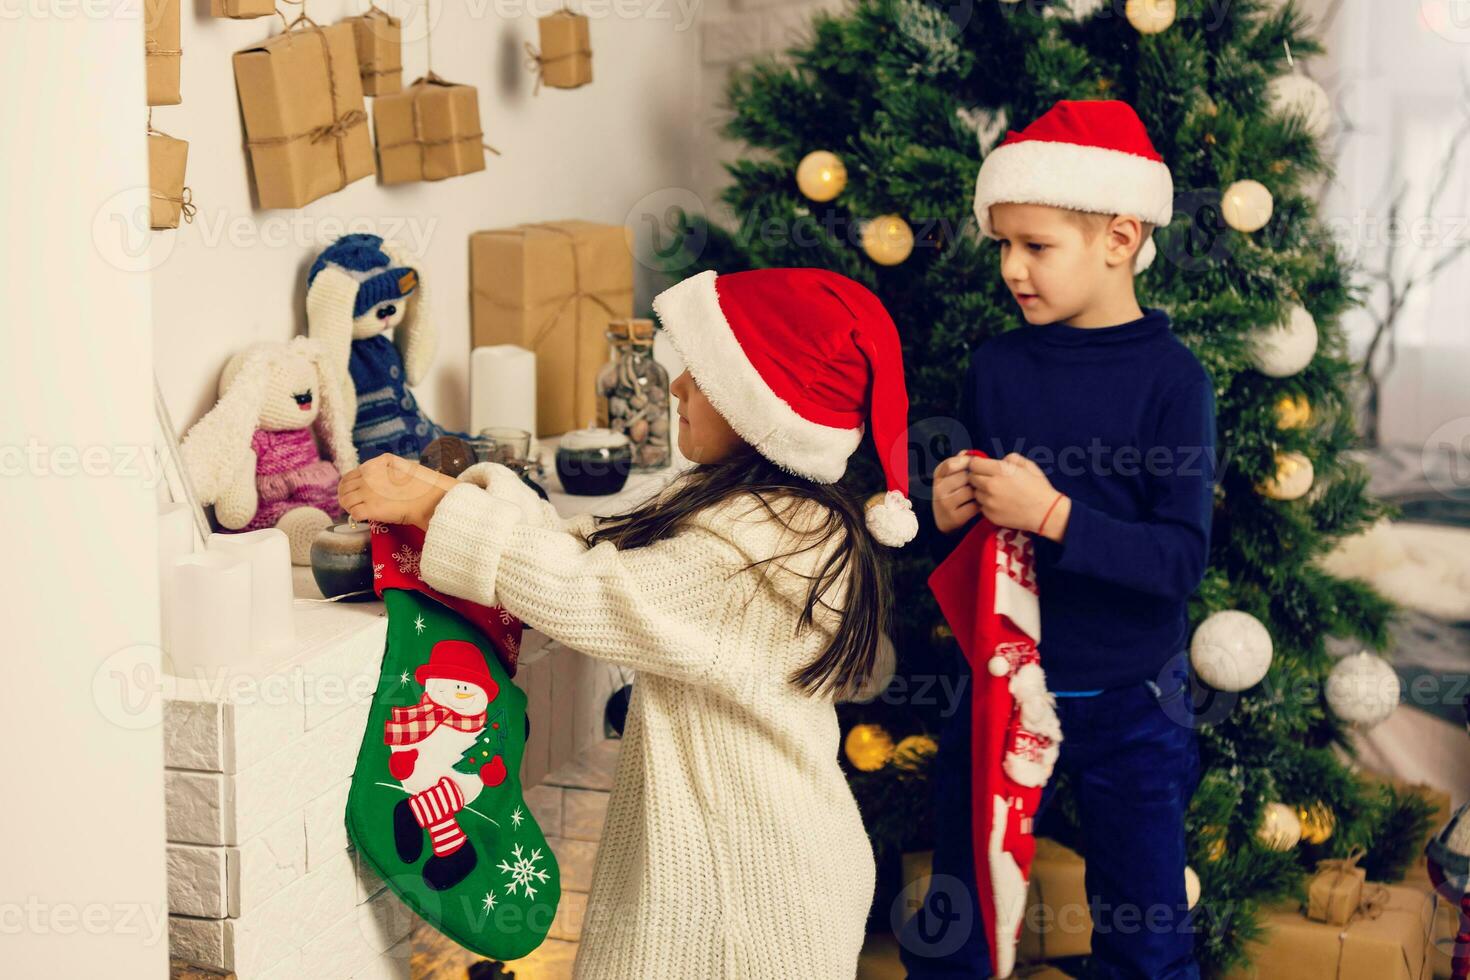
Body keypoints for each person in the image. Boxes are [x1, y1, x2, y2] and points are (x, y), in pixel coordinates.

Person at [339, 266, 919, 979]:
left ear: (758, 404)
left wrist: (438, 509)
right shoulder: (751, 511)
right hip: (734, 870)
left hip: (745, 895)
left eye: (700, 376)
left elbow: (594, 593)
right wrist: (463, 494)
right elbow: (580, 547)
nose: (675, 388)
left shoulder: (769, 546)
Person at [901, 99, 1216, 980]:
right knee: (962, 917)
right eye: (1002, 245)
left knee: (1146, 929)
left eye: (1035, 247)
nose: (1011, 268)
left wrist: (1055, 516)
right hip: (1001, 682)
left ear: (1119, 238)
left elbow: (1178, 561)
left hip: (1132, 697)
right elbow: (973, 559)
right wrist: (951, 514)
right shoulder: (997, 367)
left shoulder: (1174, 381)